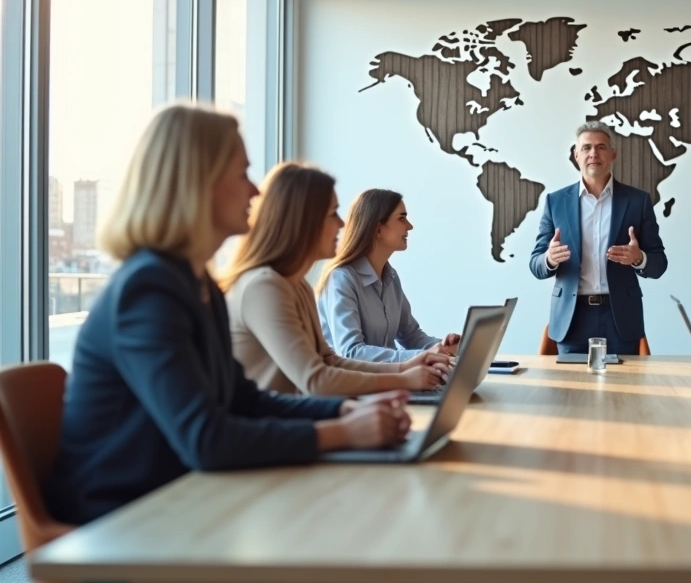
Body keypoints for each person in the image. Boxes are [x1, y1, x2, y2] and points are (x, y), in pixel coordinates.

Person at [43, 104, 413, 525]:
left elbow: (244, 400)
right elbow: (206, 438)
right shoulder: (147, 290)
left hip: (182, 496)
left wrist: (343, 412)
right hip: (121, 519)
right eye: (242, 173)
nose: (256, 192)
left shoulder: (198, 285)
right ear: (195, 184)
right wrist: (343, 432)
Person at [220, 163, 450, 397]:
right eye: (332, 214)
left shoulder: (298, 287)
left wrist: (406, 369)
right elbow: (316, 379)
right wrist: (402, 378)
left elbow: (329, 361)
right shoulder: (264, 287)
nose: (341, 224)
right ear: (302, 221)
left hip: (294, 418)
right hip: (272, 427)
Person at [529, 121, 668, 355]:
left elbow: (659, 264)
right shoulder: (556, 202)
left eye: (601, 147)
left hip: (621, 318)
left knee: (624, 391)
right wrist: (550, 259)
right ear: (576, 155)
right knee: (569, 391)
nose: (594, 153)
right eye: (586, 148)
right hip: (572, 318)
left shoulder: (638, 201)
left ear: (613, 154)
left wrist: (639, 258)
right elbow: (536, 264)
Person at [316, 188, 459, 362]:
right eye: (402, 218)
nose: (410, 226)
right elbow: (351, 352)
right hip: (352, 387)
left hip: (387, 381)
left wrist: (447, 348)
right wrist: (425, 356)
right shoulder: (342, 279)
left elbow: (411, 337)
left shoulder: (391, 278)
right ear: (377, 229)